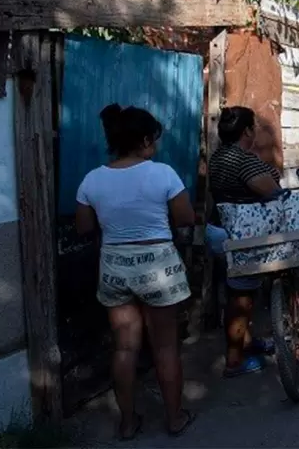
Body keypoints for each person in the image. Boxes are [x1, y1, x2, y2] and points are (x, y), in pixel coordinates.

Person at [75, 104, 196, 440]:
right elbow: (186, 218)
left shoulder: (92, 180)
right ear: (144, 140)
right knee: (165, 347)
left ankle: (127, 423)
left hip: (115, 266)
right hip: (158, 264)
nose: (154, 145)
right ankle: (175, 418)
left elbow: (84, 228)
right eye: (153, 139)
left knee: (125, 348)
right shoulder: (163, 174)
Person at [206, 106, 282, 377]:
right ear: (247, 131)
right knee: (242, 299)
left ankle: (247, 343)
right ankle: (234, 361)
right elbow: (271, 190)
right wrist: (271, 174)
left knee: (236, 291)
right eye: (254, 127)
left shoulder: (218, 156)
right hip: (240, 235)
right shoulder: (243, 160)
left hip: (218, 229)